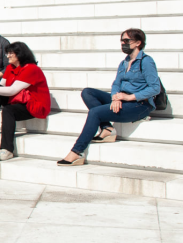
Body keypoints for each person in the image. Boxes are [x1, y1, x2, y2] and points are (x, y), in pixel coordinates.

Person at [59, 28, 160, 166]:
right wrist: (115, 97)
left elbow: (155, 88)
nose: (123, 43)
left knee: (95, 112)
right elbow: (116, 84)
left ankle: (77, 152)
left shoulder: (146, 61)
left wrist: (129, 98)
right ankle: (107, 128)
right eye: (122, 40)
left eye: (127, 41)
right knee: (87, 92)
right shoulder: (124, 62)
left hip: (139, 104)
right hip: (122, 99)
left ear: (138, 43)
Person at [0, 41, 51, 161]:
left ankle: (7, 149)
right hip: (20, 99)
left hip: (34, 105)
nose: (8, 56)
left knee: (8, 110)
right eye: (8, 53)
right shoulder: (10, 68)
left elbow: (12, 90)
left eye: (11, 53)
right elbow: (2, 88)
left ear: (20, 54)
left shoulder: (31, 69)